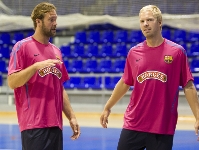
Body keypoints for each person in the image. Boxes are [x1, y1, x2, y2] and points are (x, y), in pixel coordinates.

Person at [100, 5, 199, 150]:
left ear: (160, 22)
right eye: (142, 21)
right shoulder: (134, 53)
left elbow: (188, 86)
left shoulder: (177, 52)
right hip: (134, 123)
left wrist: (197, 116)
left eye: (149, 20)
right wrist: (107, 107)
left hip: (162, 126)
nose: (145, 24)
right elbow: (125, 82)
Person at [7, 2, 80, 150]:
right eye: (51, 20)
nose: (55, 23)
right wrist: (34, 67)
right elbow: (12, 82)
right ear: (38, 22)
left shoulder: (56, 51)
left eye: (55, 19)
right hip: (33, 125)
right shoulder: (22, 47)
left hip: (55, 125)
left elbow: (60, 87)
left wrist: (71, 116)